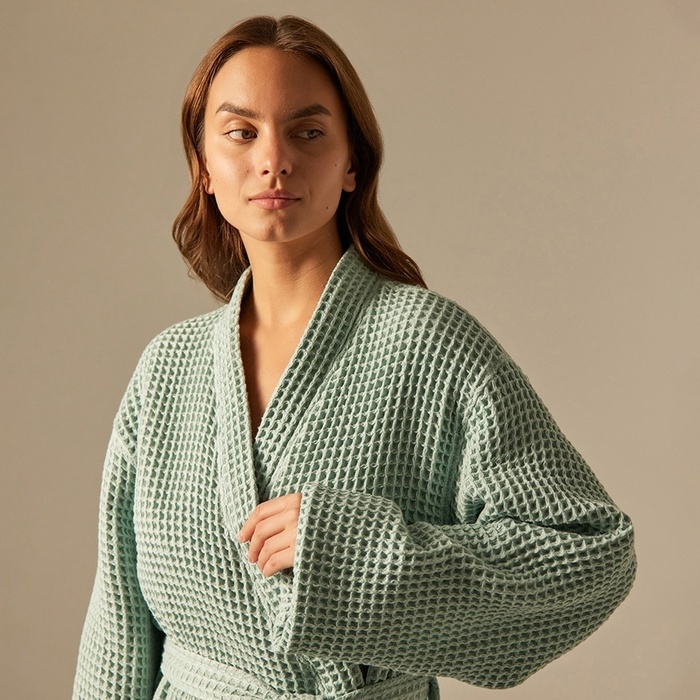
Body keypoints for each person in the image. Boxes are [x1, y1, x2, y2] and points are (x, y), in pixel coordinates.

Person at [72, 15, 636, 700]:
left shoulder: (430, 343)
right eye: (241, 132)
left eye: (308, 132)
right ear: (204, 167)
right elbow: (119, 627)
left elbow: (592, 552)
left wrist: (361, 559)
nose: (274, 159)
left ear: (352, 164)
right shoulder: (167, 370)